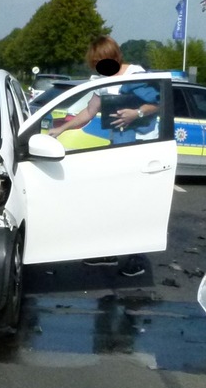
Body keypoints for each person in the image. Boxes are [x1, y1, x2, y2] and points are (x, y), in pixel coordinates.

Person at [50, 36, 157, 277]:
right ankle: (108, 251)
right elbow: (89, 112)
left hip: (143, 146)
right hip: (119, 145)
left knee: (134, 202)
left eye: (102, 60)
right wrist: (61, 129)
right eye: (96, 62)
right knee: (112, 198)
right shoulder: (102, 81)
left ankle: (136, 257)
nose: (99, 66)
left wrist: (136, 113)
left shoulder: (136, 75)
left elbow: (158, 103)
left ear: (114, 56)